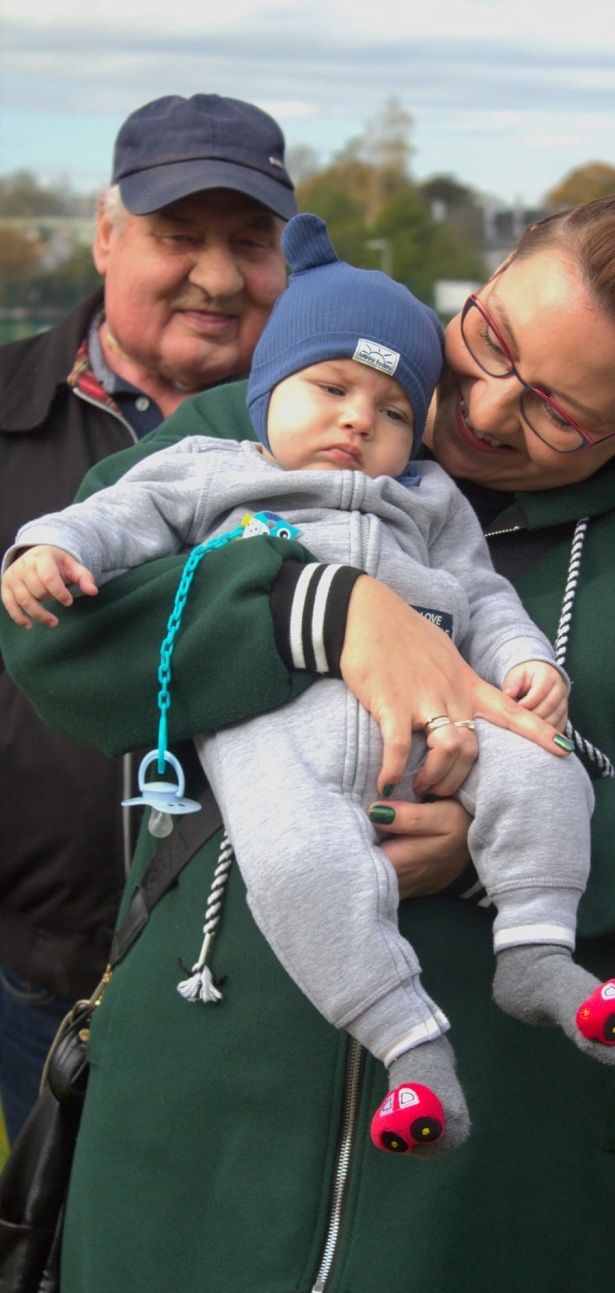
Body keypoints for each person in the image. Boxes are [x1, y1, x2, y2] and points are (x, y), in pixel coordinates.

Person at [0, 192, 615, 1293]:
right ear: (485, 281)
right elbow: (56, 630)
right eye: (489, 339)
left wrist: (512, 840)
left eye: (558, 408)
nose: (487, 409)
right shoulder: (278, 420)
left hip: (501, 1184)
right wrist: (325, 614)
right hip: (201, 1144)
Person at [3, 212, 615, 1158]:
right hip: (275, 734)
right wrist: (47, 546)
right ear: (268, 391)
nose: (361, 418)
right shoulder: (208, 471)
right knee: (297, 867)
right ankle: (410, 1047)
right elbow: (116, 518)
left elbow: (481, 597)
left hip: (443, 723)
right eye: (331, 387)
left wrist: (527, 666)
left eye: (395, 410)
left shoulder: (428, 502)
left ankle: (540, 949)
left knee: (546, 767)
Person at [0, 92, 295, 1141]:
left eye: (250, 243)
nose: (217, 277)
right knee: (49, 1264)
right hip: (37, 968)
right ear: (105, 233)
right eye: (179, 236)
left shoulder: (349, 440)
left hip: (276, 974)